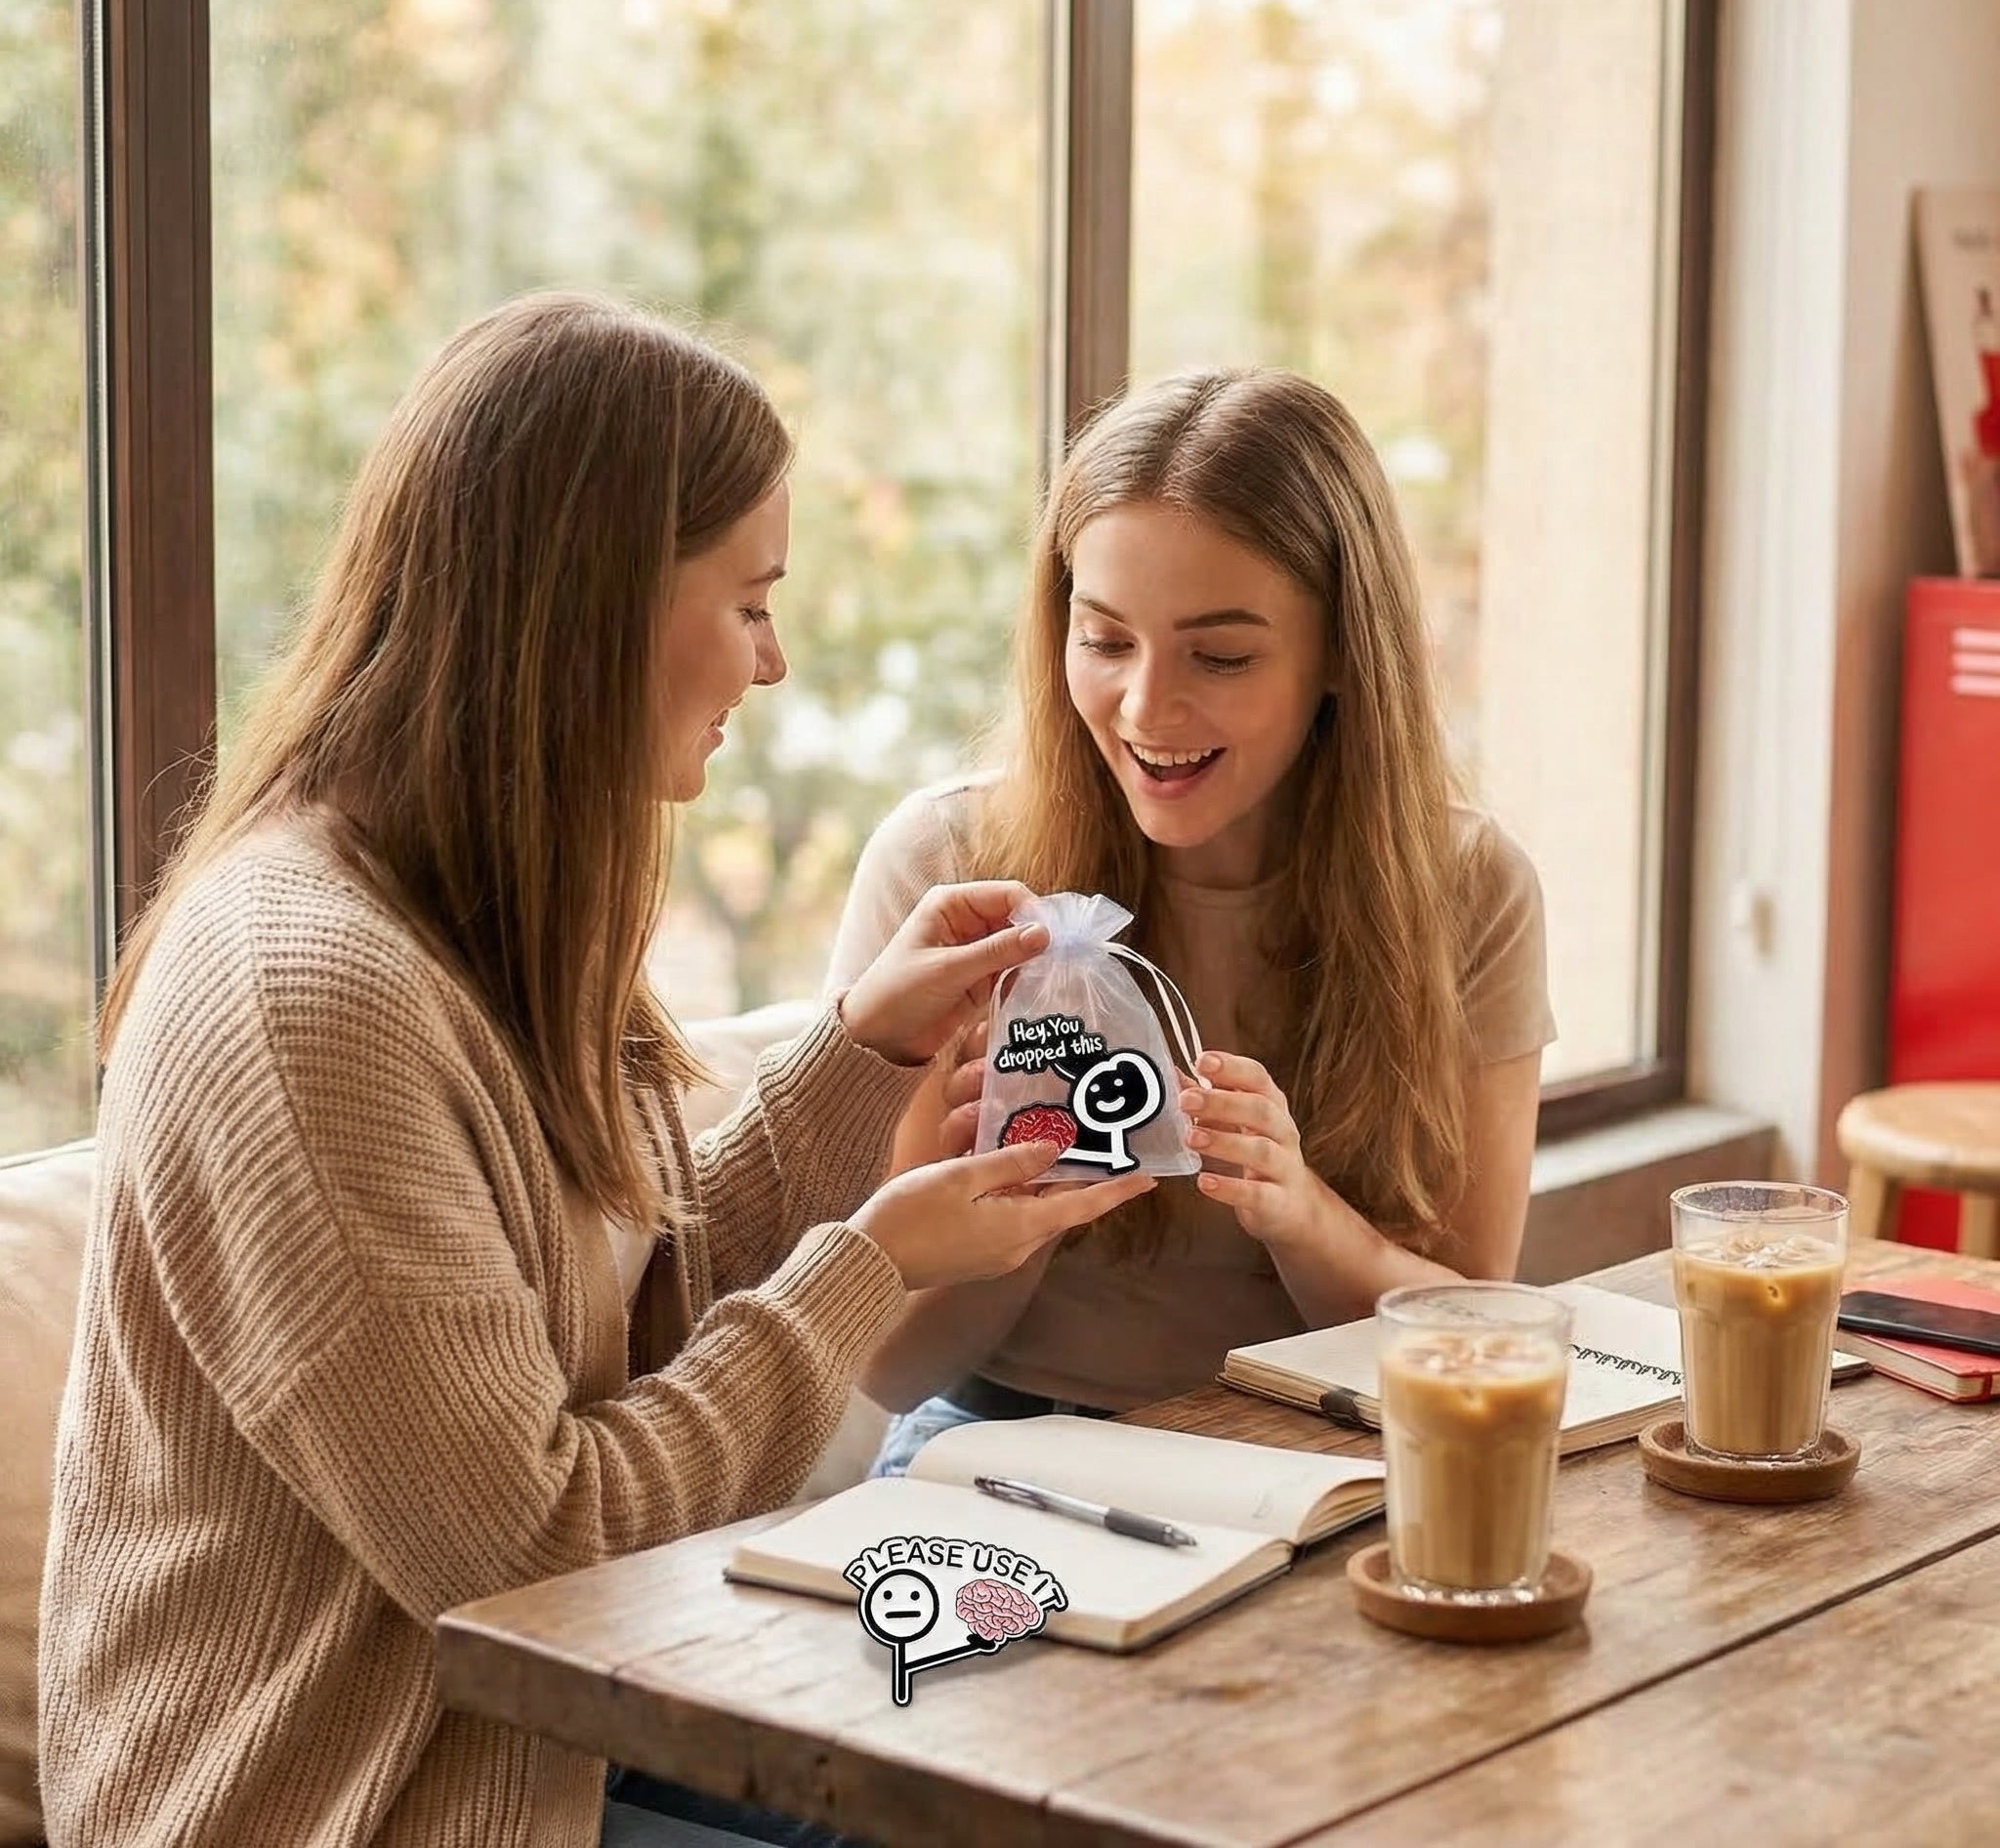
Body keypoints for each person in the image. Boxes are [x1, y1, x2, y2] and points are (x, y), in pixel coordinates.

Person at [36, 292, 1154, 1848]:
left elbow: (633, 1303)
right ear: (594, 604)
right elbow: (531, 1546)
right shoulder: (308, 999)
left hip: (550, 1725)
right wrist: (874, 1264)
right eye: (750, 598)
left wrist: (861, 1057)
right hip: (361, 1794)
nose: (773, 662)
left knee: (1043, 1771)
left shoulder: (476, 902)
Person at [825, 367, 1556, 1473]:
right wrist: (1027, 1200)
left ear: (1340, 656)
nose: (1146, 708)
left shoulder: (1468, 888)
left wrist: (1301, 1214)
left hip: (1313, 1455)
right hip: (995, 1446)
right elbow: (887, 1368)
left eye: (1220, 654)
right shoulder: (950, 874)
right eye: (1105, 639)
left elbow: (1473, 1326)